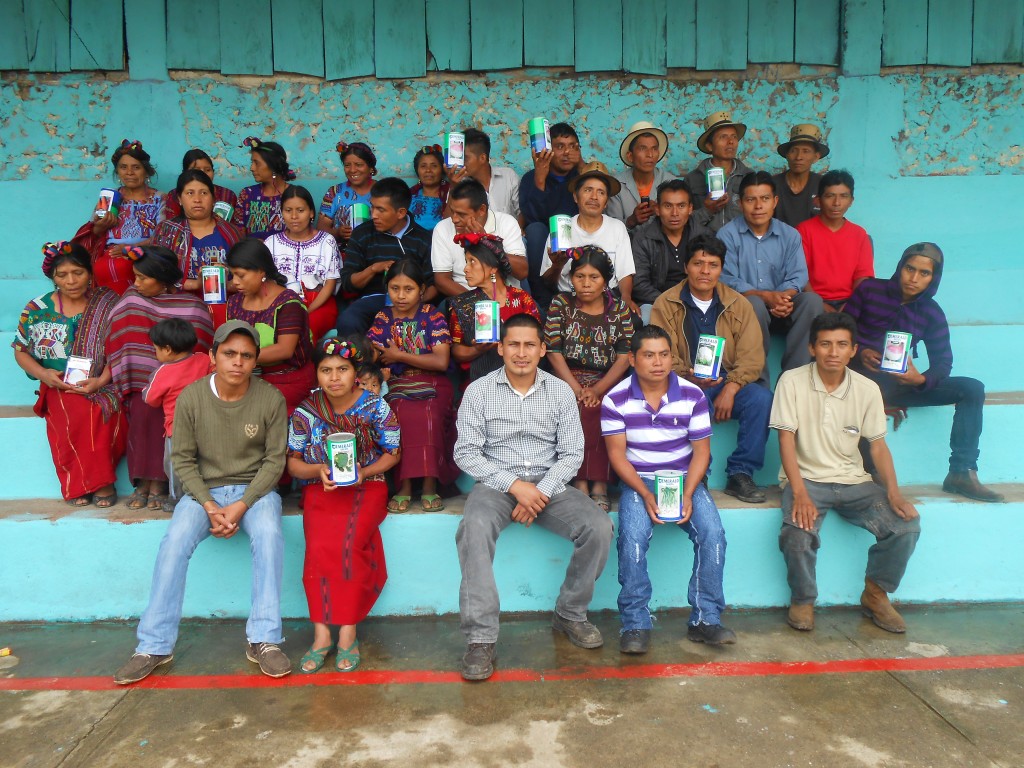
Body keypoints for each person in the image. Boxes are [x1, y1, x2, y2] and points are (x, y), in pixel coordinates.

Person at [113, 320, 291, 684]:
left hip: (253, 492)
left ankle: (264, 640)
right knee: (175, 541)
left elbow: (274, 462)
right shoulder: (192, 397)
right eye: (229, 354)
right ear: (212, 357)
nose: (237, 362)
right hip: (201, 492)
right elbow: (182, 460)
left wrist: (241, 506)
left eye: (246, 355)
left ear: (255, 360)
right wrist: (210, 505)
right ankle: (154, 645)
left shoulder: (270, 398)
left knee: (270, 534)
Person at [454, 314, 613, 681]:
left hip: (550, 484)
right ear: (500, 348)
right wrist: (516, 487)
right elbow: (466, 453)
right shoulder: (478, 391)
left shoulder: (559, 391)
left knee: (599, 527)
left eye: (529, 345)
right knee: (473, 529)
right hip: (497, 485)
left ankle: (570, 613)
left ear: (543, 350)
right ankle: (481, 639)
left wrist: (538, 493)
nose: (521, 353)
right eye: (513, 344)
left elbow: (572, 453)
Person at [771, 312, 921, 633]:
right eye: (825, 344)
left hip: (855, 482)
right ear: (812, 348)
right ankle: (803, 599)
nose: (833, 352)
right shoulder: (792, 381)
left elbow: (878, 447)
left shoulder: (867, 389)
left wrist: (894, 493)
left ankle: (876, 595)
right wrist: (798, 492)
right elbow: (786, 439)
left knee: (906, 526)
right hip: (808, 480)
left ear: (853, 350)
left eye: (841, 345)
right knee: (796, 535)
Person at [602, 325, 736, 654]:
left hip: (684, 477)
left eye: (664, 354)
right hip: (640, 480)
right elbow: (618, 457)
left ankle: (706, 620)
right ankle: (635, 624)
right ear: (633, 359)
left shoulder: (692, 395)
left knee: (713, 534)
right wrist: (646, 493)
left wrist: (688, 493)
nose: (658, 362)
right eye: (649, 355)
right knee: (632, 538)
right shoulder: (615, 399)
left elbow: (701, 452)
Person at [844, 243, 1003, 503]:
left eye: (924, 273)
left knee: (972, 388)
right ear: (900, 267)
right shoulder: (869, 290)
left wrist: (920, 379)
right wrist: (860, 351)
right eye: (909, 269)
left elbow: (943, 363)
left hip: (900, 385)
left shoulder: (931, 312)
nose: (914, 278)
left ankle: (962, 472)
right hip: (858, 381)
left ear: (934, 278)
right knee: (862, 396)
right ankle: (869, 473)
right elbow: (840, 330)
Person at [287, 338, 401, 673]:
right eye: (326, 370)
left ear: (355, 373)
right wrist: (317, 471)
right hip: (321, 489)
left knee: (348, 545)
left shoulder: (375, 406)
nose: (334, 377)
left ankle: (348, 630)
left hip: (368, 488)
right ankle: (322, 634)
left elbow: (392, 453)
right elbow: (293, 463)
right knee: (319, 547)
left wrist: (364, 471)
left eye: (342, 369)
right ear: (317, 374)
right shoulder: (306, 412)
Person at [650, 233, 773, 504]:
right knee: (694, 398)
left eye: (713, 265)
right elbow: (662, 352)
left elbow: (752, 356)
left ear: (721, 268)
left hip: (727, 381)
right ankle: (699, 473)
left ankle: (740, 473)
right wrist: (688, 375)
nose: (705, 271)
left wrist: (732, 386)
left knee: (762, 399)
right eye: (698, 263)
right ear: (686, 267)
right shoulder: (666, 303)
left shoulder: (738, 304)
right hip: (685, 381)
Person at [13, 242, 126, 508]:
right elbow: (20, 351)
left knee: (105, 408)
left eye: (78, 272)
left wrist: (100, 380)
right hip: (56, 384)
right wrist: (44, 374)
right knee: (75, 406)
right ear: (52, 277)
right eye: (62, 275)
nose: (71, 281)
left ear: (89, 272)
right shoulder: (37, 308)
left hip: (102, 382)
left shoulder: (108, 305)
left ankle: (96, 483)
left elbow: (122, 351)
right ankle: (96, 483)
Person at [106, 246, 214, 511]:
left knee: (173, 425)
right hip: (141, 383)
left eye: (144, 278)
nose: (137, 283)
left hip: (183, 391)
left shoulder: (193, 306)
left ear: (164, 279)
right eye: (135, 276)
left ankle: (160, 485)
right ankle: (141, 483)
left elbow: (200, 350)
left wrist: (174, 375)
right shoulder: (131, 299)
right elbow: (120, 340)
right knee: (144, 414)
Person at [544, 246, 635, 510]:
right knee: (578, 407)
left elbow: (624, 355)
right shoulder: (561, 304)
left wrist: (598, 389)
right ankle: (581, 481)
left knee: (603, 408)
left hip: (607, 379)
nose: (585, 284)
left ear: (606, 280)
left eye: (593, 277)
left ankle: (600, 483)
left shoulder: (618, 309)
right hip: (564, 378)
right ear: (571, 278)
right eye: (579, 276)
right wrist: (575, 387)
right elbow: (552, 350)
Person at [367, 259, 457, 512]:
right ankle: (404, 486)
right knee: (398, 415)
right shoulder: (383, 317)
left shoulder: (433, 316)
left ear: (422, 290)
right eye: (394, 288)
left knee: (430, 414)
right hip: (396, 383)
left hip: (434, 382)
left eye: (408, 289)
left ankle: (430, 485)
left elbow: (440, 361)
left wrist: (399, 356)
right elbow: (373, 352)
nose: (401, 295)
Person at [720, 171, 824, 375]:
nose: (758, 206)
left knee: (812, 301)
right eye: (751, 200)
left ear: (775, 201)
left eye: (765, 199)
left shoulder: (790, 235)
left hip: (785, 306)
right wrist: (765, 297)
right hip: (747, 310)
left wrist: (782, 298)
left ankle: (794, 378)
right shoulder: (727, 235)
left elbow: (798, 276)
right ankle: (758, 379)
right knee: (755, 304)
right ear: (740, 204)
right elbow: (726, 278)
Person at [226, 239, 315, 416]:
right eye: (232, 275)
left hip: (287, 380)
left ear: (261, 271)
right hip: (246, 376)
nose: (235, 282)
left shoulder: (288, 303)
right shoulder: (235, 302)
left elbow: (284, 350)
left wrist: (237, 359)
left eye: (241, 275)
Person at [336, 177, 435, 335]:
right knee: (348, 321)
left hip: (413, 302)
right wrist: (374, 269)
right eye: (372, 207)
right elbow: (348, 282)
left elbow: (433, 285)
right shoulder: (362, 234)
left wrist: (409, 302)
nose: (374, 215)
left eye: (381, 210)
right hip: (373, 299)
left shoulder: (423, 239)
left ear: (401, 212)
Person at [539, 161, 637, 313]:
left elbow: (625, 274)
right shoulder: (561, 227)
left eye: (601, 192)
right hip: (568, 300)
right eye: (588, 190)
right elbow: (548, 284)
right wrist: (556, 266)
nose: (594, 197)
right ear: (575, 197)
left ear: (606, 203)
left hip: (607, 299)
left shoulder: (617, 227)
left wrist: (625, 301)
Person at [151, 169, 245, 328]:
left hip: (226, 307)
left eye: (204, 193)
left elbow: (245, 273)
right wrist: (195, 284)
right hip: (179, 308)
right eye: (190, 193)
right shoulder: (166, 231)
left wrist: (228, 284)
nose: (197, 199)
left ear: (214, 198)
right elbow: (156, 272)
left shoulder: (231, 232)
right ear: (180, 199)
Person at [73, 139, 164, 294]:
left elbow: (164, 236)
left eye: (136, 167)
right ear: (117, 172)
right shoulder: (109, 198)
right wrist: (99, 227)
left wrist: (133, 248)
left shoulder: (160, 198)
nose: (129, 172)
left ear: (147, 171)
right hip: (108, 259)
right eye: (123, 167)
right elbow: (91, 234)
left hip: (145, 257)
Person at [448, 233, 540, 381]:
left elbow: (536, 341)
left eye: (472, 261)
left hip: (522, 378)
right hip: (481, 381)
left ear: (493, 268)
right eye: (466, 261)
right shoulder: (462, 304)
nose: (465, 268)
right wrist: (476, 350)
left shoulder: (522, 299)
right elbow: (456, 350)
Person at [143, 318, 212, 512]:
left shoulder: (164, 371)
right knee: (202, 461)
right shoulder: (203, 359)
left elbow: (150, 398)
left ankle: (176, 498)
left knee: (176, 464)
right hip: (206, 424)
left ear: (167, 350)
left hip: (177, 428)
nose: (156, 354)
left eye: (155, 349)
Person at [520, 122, 583, 310]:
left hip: (576, 238)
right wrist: (540, 178)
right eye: (560, 147)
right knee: (536, 230)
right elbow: (532, 217)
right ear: (548, 149)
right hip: (544, 248)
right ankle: (541, 300)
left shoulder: (582, 178)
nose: (567, 152)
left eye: (573, 146)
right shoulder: (530, 178)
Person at [265, 186, 341, 342]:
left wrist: (307, 310)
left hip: (318, 304)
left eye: (300, 210)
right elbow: (266, 282)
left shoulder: (326, 241)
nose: (294, 216)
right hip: (279, 304)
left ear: (311, 213)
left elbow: (329, 284)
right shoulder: (271, 243)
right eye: (288, 210)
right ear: (281, 213)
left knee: (304, 327)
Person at [431, 179, 527, 298]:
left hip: (505, 296)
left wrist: (486, 241)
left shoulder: (506, 223)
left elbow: (522, 272)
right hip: (463, 297)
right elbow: (442, 281)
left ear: (481, 210)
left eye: (461, 214)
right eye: (452, 211)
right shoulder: (442, 228)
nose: (454, 219)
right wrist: (477, 301)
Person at [630, 178, 708, 323]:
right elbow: (639, 283)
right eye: (668, 206)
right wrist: (670, 302)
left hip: (697, 300)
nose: (675, 213)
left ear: (690, 208)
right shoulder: (644, 238)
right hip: (656, 301)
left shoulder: (703, 237)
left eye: (681, 206)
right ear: (657, 209)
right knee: (646, 318)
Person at [797, 169, 874, 309]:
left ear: (851, 201)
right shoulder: (803, 231)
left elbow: (862, 277)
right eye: (830, 196)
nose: (837, 203)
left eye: (843, 196)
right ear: (818, 200)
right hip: (812, 300)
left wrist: (851, 305)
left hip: (850, 302)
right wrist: (822, 306)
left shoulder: (859, 234)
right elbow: (800, 275)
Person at [686, 111, 753, 232]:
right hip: (704, 246)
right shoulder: (693, 178)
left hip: (740, 247)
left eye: (734, 137)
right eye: (723, 137)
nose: (731, 142)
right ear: (709, 146)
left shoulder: (748, 176)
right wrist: (707, 210)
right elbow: (682, 220)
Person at [606, 121, 671, 231]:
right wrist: (631, 221)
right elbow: (611, 230)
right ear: (630, 156)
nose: (650, 154)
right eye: (642, 148)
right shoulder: (616, 186)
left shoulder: (670, 183)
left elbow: (681, 223)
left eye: (654, 149)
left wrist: (662, 211)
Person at [447, 128, 520, 218]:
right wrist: (453, 187)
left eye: (465, 158)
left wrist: (518, 230)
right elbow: (448, 221)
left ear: (482, 158)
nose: (461, 163)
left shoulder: (509, 176)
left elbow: (522, 212)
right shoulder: (459, 183)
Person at [232, 136, 294, 239]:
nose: (252, 168)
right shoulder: (247, 195)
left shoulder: (295, 195)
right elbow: (238, 234)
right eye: (252, 162)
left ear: (274, 165)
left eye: (257, 163)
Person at [318, 140, 376, 247]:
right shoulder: (335, 192)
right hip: (343, 255)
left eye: (358, 165)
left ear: (371, 168)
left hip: (377, 254)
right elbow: (321, 230)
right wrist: (338, 232)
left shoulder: (383, 191)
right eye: (347, 165)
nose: (352, 170)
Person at [772, 124, 829, 228]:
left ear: (816, 157)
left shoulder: (823, 185)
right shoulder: (772, 184)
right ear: (787, 155)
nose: (798, 157)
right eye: (793, 151)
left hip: (812, 243)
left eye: (806, 151)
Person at [161, 148, 238, 221]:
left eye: (207, 170)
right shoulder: (174, 195)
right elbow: (172, 226)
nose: (203, 174)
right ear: (184, 173)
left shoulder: (228, 195)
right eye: (196, 170)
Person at [408, 144, 450, 231]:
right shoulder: (409, 196)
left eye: (434, 166)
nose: (428, 170)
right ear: (417, 170)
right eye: (423, 166)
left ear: (442, 169)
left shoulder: (451, 193)